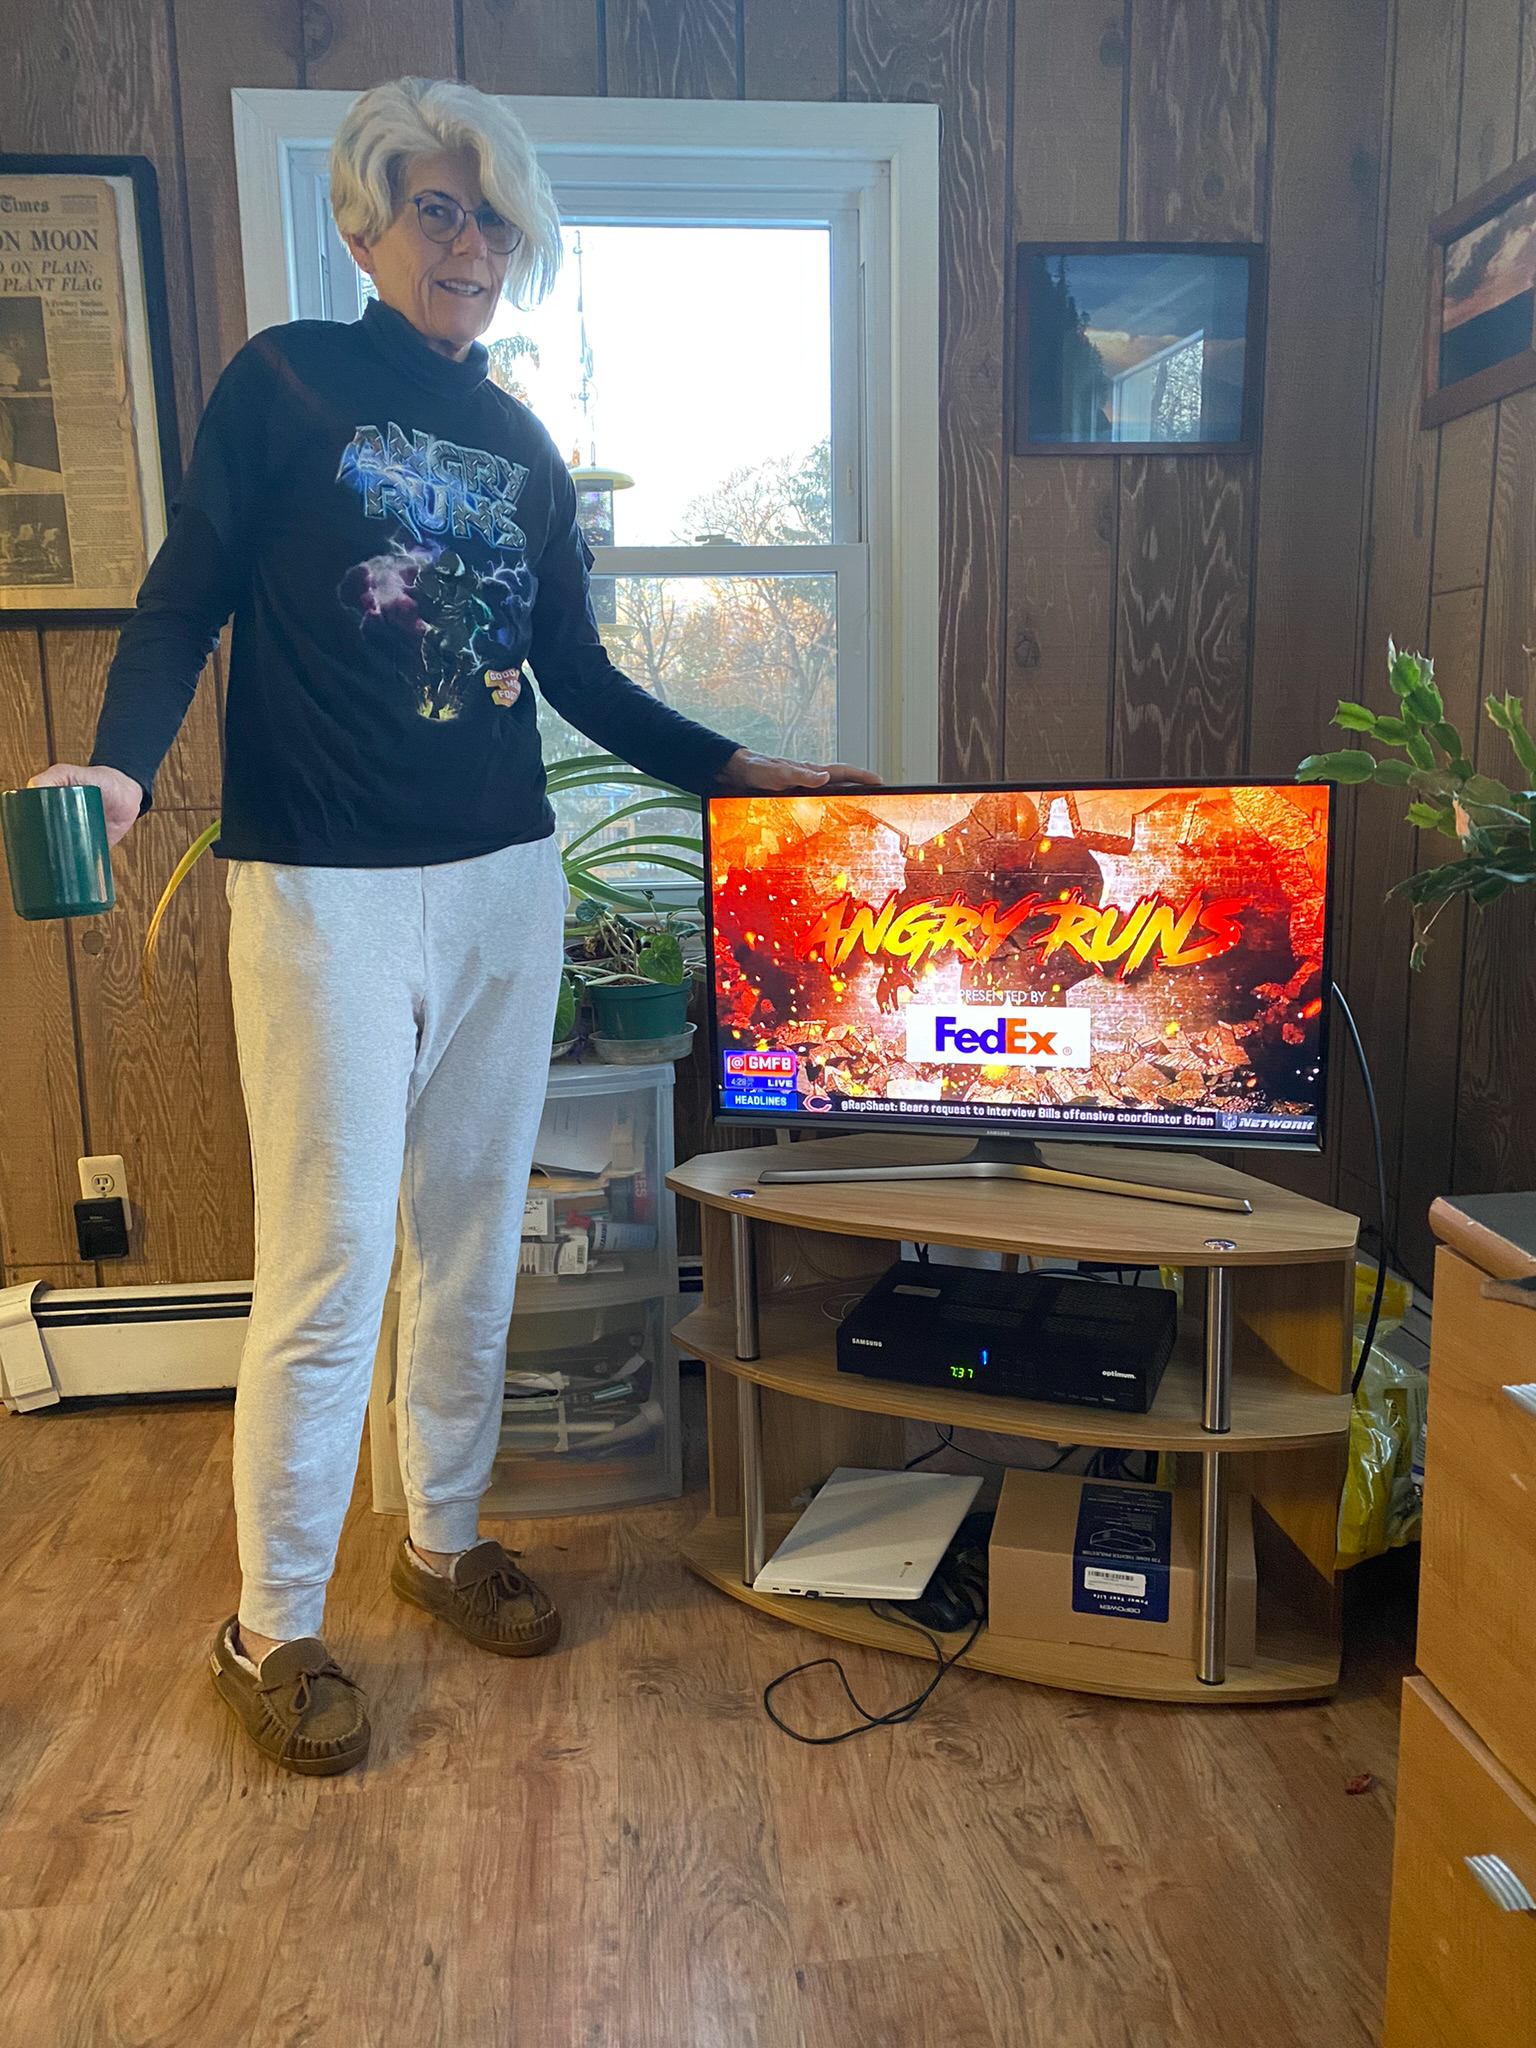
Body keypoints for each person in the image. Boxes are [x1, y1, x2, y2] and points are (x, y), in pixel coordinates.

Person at [30, 76, 878, 1778]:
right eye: (438, 208)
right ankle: (271, 1625)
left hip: (503, 880)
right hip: (323, 892)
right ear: (367, 225)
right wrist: (118, 769)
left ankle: (441, 1539)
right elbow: (184, 599)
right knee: (333, 1256)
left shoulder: (525, 448)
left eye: (493, 218)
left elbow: (576, 675)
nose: (470, 243)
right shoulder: (284, 382)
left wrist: (735, 766)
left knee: (474, 1239)